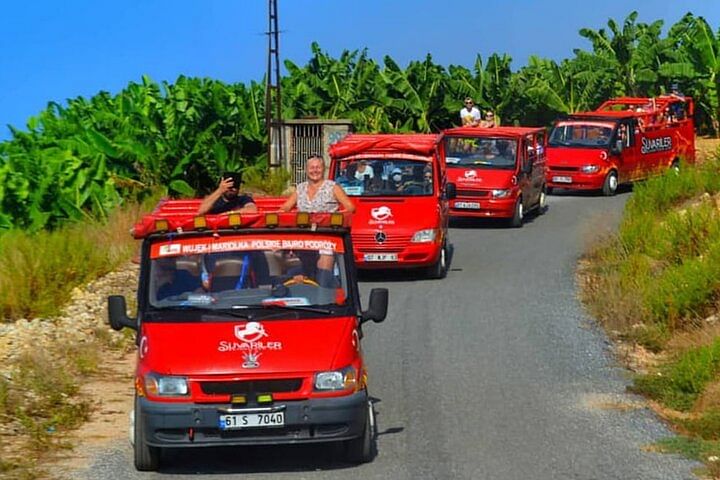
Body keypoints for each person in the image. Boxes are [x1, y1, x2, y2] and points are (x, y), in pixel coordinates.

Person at [280, 155, 355, 213]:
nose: (315, 170)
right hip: (304, 230)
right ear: (306, 170)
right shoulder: (300, 188)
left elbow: (350, 208)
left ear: (324, 169)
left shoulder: (333, 187)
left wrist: (336, 217)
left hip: (328, 231)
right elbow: (285, 207)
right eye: (311, 168)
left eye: (318, 167)